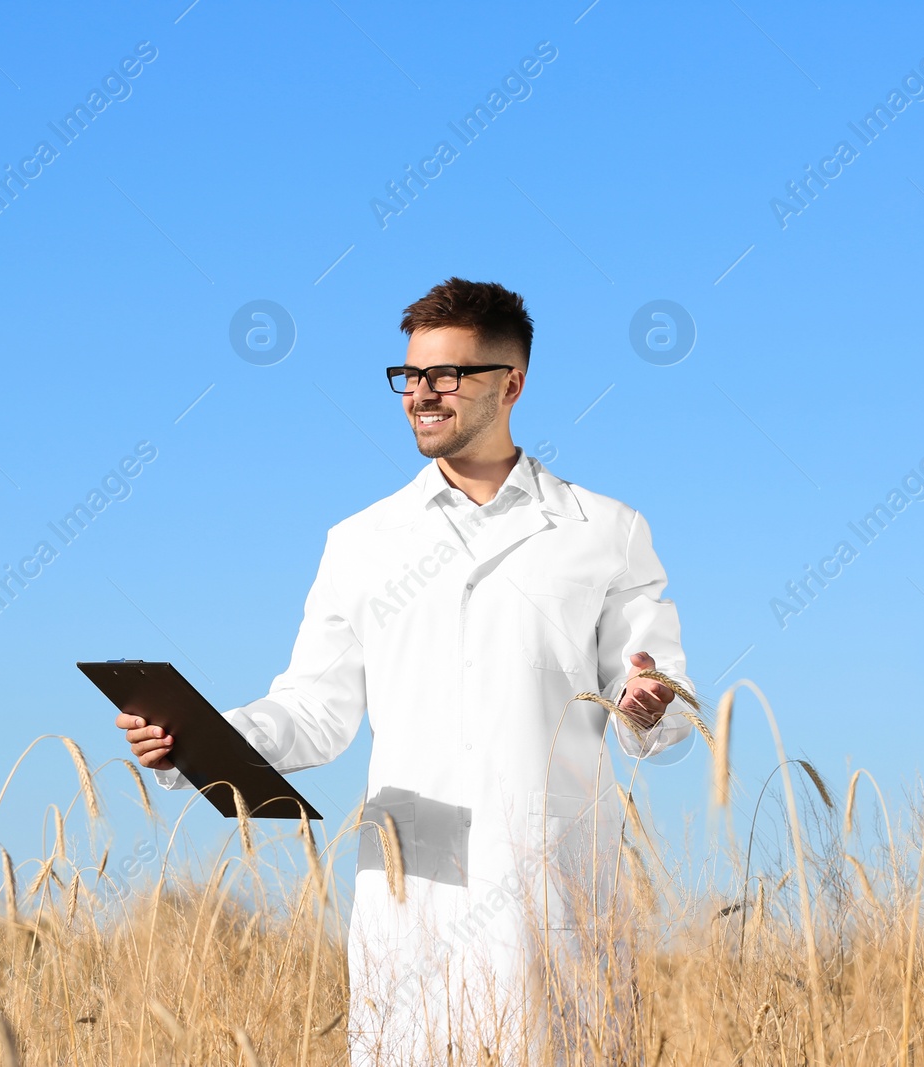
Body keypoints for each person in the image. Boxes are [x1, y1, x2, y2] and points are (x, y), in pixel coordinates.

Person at [117, 278, 694, 1064]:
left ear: (512, 382)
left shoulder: (606, 532)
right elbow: (315, 708)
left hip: (555, 880)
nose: (421, 394)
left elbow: (665, 713)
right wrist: (197, 738)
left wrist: (652, 708)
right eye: (410, 376)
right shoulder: (361, 540)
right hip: (411, 876)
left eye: (447, 375)